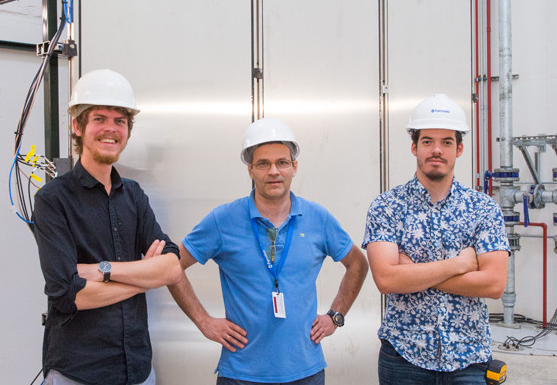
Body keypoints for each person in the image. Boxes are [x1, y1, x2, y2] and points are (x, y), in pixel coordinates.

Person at [169, 117, 368, 384]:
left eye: (282, 162)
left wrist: (335, 316)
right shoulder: (222, 220)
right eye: (263, 163)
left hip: (306, 371)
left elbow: (357, 263)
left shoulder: (318, 218)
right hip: (241, 373)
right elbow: (171, 266)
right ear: (250, 170)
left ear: (294, 167)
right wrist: (203, 321)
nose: (274, 171)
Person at [33, 69, 182, 385]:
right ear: (77, 126)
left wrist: (102, 270)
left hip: (137, 371)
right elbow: (69, 295)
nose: (111, 129)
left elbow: (170, 267)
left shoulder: (135, 195)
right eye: (99, 118)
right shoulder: (53, 200)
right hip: (78, 373)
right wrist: (144, 276)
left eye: (120, 121)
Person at [363, 93, 510, 384]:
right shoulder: (387, 206)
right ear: (414, 147)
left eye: (446, 142)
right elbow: (387, 281)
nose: (436, 150)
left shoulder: (482, 208)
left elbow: (494, 285)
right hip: (404, 358)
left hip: (469, 360)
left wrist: (412, 271)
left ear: (460, 149)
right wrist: (460, 264)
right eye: (428, 141)